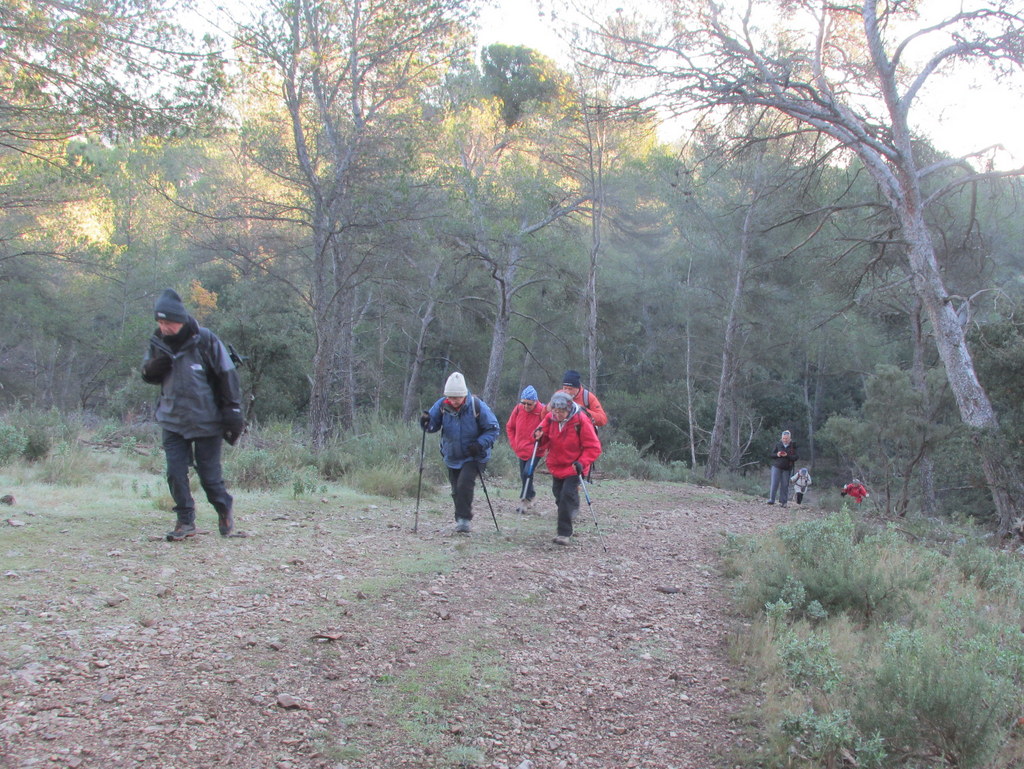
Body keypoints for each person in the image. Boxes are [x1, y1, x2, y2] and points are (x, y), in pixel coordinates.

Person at [141, 289, 244, 542]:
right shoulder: (158, 341)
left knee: (210, 477)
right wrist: (156, 366)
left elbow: (227, 375)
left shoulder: (206, 340)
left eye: (169, 322)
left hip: (207, 421)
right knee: (175, 473)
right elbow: (146, 374)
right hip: (172, 419)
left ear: (182, 320)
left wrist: (233, 411)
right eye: (160, 322)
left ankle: (224, 511)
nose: (164, 327)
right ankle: (185, 521)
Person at [420, 372, 500, 534]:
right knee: (456, 489)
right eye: (451, 398)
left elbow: (493, 429)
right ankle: (461, 518)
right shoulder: (442, 405)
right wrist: (426, 423)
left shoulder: (477, 406)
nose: (454, 401)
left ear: (464, 395)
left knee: (464, 484)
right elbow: (432, 426)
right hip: (452, 455)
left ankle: (463, 521)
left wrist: (479, 444)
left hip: (475, 455)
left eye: (457, 398)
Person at [532, 390, 602, 546]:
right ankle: (571, 507)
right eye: (555, 411)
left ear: (569, 409)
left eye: (561, 411)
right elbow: (542, 438)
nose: (558, 414)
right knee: (558, 495)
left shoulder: (581, 420)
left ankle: (564, 533)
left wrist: (582, 462)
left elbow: (594, 447)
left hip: (575, 466)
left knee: (565, 497)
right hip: (556, 465)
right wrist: (538, 436)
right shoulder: (550, 418)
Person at [505, 385, 547, 513]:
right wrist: (514, 443)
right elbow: (510, 427)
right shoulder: (518, 409)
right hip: (521, 449)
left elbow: (548, 430)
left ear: (535, 401)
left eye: (529, 404)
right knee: (524, 474)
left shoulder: (542, 411)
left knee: (527, 473)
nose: (526, 407)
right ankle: (532, 495)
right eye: (524, 403)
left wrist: (542, 443)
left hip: (536, 450)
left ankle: (524, 500)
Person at [767, 430, 798, 506]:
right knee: (774, 483)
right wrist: (777, 454)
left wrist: (787, 455)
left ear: (790, 438)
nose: (785, 440)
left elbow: (796, 457)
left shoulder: (793, 446)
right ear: (781, 438)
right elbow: (771, 455)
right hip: (777, 466)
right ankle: (772, 499)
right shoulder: (778, 444)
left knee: (785, 485)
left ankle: (783, 502)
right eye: (783, 438)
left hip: (787, 468)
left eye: (786, 438)